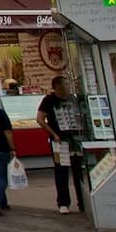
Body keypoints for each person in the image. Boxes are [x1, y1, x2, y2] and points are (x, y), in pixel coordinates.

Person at [36, 76, 83, 214]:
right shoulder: (49, 100)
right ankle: (63, 203)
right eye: (65, 84)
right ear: (57, 87)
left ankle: (82, 201)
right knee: (61, 170)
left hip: (75, 139)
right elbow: (40, 118)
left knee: (78, 170)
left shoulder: (73, 98)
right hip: (60, 141)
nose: (68, 86)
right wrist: (53, 134)